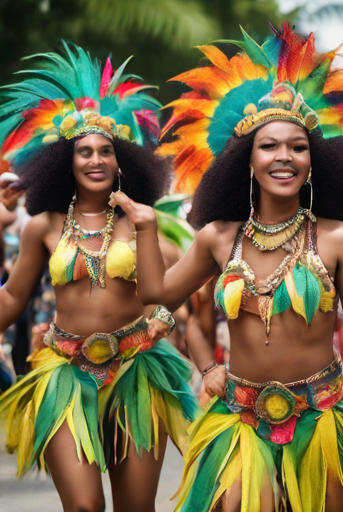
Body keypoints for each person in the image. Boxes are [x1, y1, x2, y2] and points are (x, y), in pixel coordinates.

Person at [112, 25, 343, 512]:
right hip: (240, 422)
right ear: (247, 162)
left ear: (314, 162)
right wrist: (141, 225)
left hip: (323, 418)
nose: (284, 156)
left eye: (298, 146)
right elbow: (156, 292)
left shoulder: (338, 239)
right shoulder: (219, 237)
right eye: (269, 146)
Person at [0, 43, 197, 512]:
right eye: (83, 151)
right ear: (65, 163)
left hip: (137, 371)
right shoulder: (44, 226)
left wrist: (165, 320)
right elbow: (12, 297)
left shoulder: (142, 221)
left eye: (106, 151)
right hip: (64, 373)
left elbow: (166, 293)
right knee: (84, 507)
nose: (95, 159)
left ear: (121, 161)